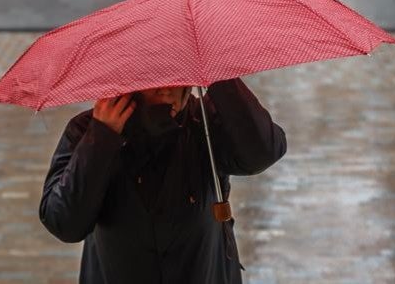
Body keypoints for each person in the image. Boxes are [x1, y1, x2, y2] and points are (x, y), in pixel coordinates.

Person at [40, 78, 287, 283]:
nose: (166, 86)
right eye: (152, 76)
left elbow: (262, 152)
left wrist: (219, 78)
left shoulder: (205, 122)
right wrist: (102, 137)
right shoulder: (87, 130)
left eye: (177, 73)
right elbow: (64, 222)